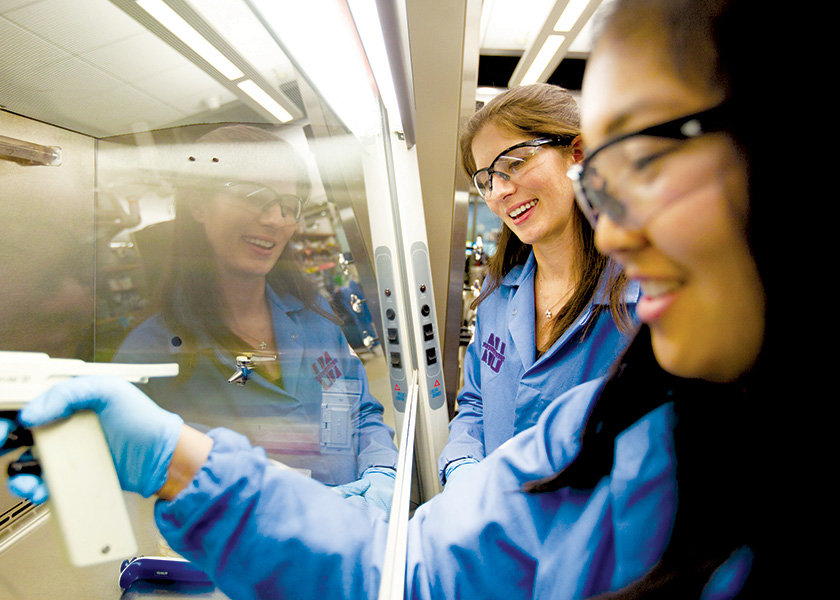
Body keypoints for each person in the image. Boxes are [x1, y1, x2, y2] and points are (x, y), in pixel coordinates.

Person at [5, 0, 787, 596]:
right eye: (488, 178)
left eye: (641, 159)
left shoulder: (313, 324)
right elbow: (414, 565)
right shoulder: (635, 430)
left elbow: (372, 433)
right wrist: (177, 463)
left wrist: (381, 475)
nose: (616, 233)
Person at [112, 125, 398, 510]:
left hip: (351, 538)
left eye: (288, 205)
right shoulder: (150, 355)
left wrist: (382, 472)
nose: (277, 220)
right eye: (252, 196)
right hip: (248, 564)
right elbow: (139, 484)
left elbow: (360, 410)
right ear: (198, 204)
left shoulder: (313, 316)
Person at [438, 84, 637, 488]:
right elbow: (474, 402)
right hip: (494, 531)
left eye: (515, 162)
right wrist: (462, 469)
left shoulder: (640, 299)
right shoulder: (500, 290)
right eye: (487, 178)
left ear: (576, 153)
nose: (500, 192)